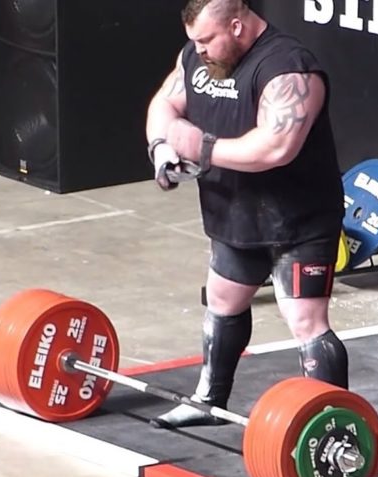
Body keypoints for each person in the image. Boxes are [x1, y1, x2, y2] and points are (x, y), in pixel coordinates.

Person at [145, 0, 348, 428]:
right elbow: (164, 106)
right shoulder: (198, 60)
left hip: (299, 220)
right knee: (222, 302)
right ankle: (208, 402)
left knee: (306, 321)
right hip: (236, 213)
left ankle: (335, 424)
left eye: (206, 39)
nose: (198, 49)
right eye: (193, 41)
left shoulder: (289, 69)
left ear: (236, 25)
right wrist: (162, 148)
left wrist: (199, 147)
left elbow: (275, 148)